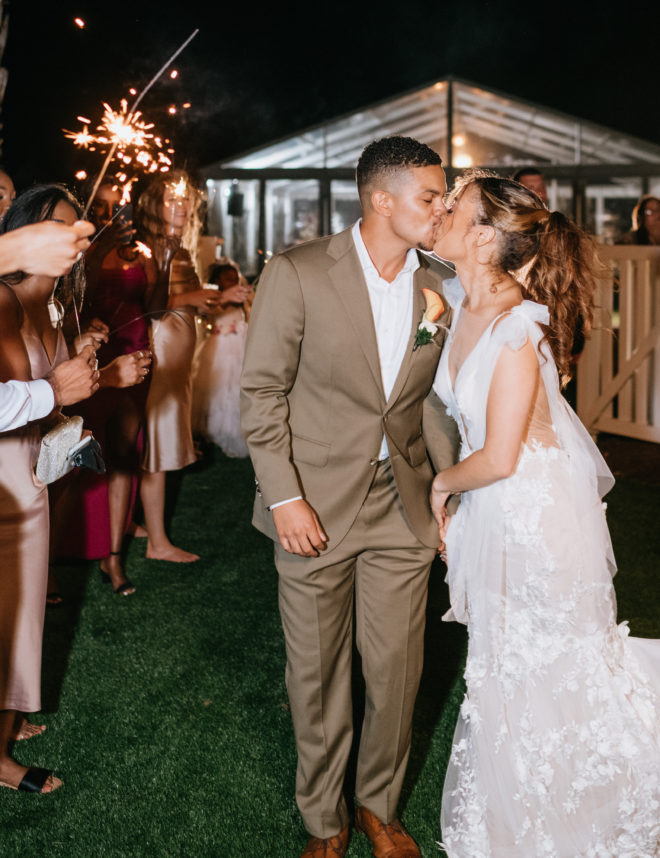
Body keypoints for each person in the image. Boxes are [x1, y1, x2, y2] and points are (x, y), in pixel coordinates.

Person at [430, 171, 660, 855]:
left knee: (552, 671)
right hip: (498, 511)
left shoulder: (517, 328)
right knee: (506, 671)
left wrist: (441, 486)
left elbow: (499, 456)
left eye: (455, 207)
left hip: (535, 517)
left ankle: (580, 820)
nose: (441, 213)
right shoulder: (457, 297)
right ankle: (521, 821)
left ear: (484, 235)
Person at [241, 136, 459, 858]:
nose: (442, 208)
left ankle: (379, 807)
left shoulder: (440, 283)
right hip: (312, 508)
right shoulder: (299, 272)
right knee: (317, 673)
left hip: (401, 505)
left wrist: (443, 496)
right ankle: (324, 821)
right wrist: (284, 499)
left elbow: (425, 402)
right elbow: (262, 392)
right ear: (381, 199)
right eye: (431, 196)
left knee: (398, 669)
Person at [0, 185, 99, 794]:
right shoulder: (5, 301)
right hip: (3, 480)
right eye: (63, 227)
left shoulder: (55, 306)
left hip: (32, 479)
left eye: (79, 229)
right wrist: (57, 391)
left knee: (22, 616)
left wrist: (96, 371)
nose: (76, 239)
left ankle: (4, 733)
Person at [51, 178, 154, 594]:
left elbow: (154, 297)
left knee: (124, 456)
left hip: (132, 349)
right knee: (73, 463)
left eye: (121, 207)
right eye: (107, 208)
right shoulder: (77, 253)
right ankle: (52, 558)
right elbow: (72, 303)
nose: (117, 215)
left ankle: (113, 558)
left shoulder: (139, 251)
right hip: (87, 358)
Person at [135, 170, 223, 562]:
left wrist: (202, 299)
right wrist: (194, 296)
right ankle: (157, 542)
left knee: (160, 443)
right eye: (172, 200)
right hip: (162, 354)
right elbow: (152, 304)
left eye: (186, 199)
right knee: (156, 447)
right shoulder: (149, 247)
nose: (183, 206)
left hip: (178, 356)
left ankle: (138, 525)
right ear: (153, 206)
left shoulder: (179, 247)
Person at [191, 262, 252, 457]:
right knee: (219, 389)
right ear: (217, 281)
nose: (233, 282)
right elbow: (208, 311)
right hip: (221, 349)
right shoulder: (215, 300)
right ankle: (217, 431)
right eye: (228, 278)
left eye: (235, 278)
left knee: (238, 388)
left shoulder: (241, 301)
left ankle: (239, 429)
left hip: (241, 346)